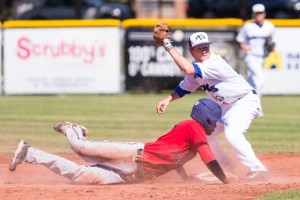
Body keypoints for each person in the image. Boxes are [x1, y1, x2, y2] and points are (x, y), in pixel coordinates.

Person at [8, 98, 235, 185]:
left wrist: (186, 179)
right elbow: (209, 159)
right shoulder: (192, 127)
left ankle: (30, 153)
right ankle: (73, 128)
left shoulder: (190, 138)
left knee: (80, 176)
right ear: (206, 118)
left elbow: (174, 160)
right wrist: (224, 181)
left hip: (131, 176)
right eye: (214, 121)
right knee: (81, 147)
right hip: (132, 154)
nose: (215, 125)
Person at [156, 28, 270, 181]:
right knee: (205, 134)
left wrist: (167, 45)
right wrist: (168, 99)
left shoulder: (214, 63)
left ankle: (258, 169)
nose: (204, 50)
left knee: (233, 132)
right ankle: (230, 167)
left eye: (206, 46)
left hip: (244, 101)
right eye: (199, 48)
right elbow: (183, 88)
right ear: (191, 51)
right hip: (226, 107)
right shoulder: (197, 69)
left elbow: (187, 68)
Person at [236, 3, 275, 115]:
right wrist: (246, 48)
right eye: (257, 13)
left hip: (262, 57)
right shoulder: (248, 26)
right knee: (260, 79)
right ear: (253, 14)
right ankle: (256, 108)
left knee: (251, 82)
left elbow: (273, 45)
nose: (259, 15)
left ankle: (242, 101)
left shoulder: (270, 26)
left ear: (264, 14)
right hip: (251, 56)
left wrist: (271, 46)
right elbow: (240, 41)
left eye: (261, 13)